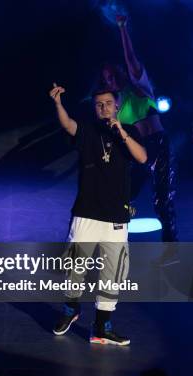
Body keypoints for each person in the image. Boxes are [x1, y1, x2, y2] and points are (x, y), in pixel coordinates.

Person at [49, 83, 147, 346]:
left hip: (116, 216)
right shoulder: (88, 130)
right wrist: (58, 104)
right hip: (87, 211)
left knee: (113, 273)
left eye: (107, 103)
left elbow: (142, 158)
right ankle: (71, 310)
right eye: (98, 104)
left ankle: (102, 327)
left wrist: (122, 133)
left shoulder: (129, 131)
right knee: (73, 267)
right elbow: (68, 125)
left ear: (117, 106)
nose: (103, 108)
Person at [97, 13, 178, 242]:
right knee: (121, 195)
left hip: (160, 145)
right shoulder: (116, 107)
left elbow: (130, 57)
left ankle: (171, 251)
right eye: (106, 79)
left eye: (112, 75)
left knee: (163, 202)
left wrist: (122, 28)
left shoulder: (139, 86)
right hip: (140, 151)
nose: (111, 80)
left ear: (120, 73)